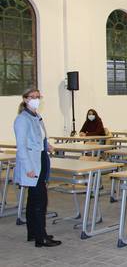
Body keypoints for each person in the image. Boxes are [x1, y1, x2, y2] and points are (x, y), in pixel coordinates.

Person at [14, 88, 61, 247]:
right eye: (33, 97)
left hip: (40, 158)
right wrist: (28, 168)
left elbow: (38, 138)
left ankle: (33, 232)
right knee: (40, 200)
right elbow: (21, 147)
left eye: (38, 97)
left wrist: (47, 145)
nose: (36, 99)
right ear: (26, 99)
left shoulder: (36, 116)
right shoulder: (22, 119)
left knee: (34, 199)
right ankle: (41, 237)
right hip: (32, 163)